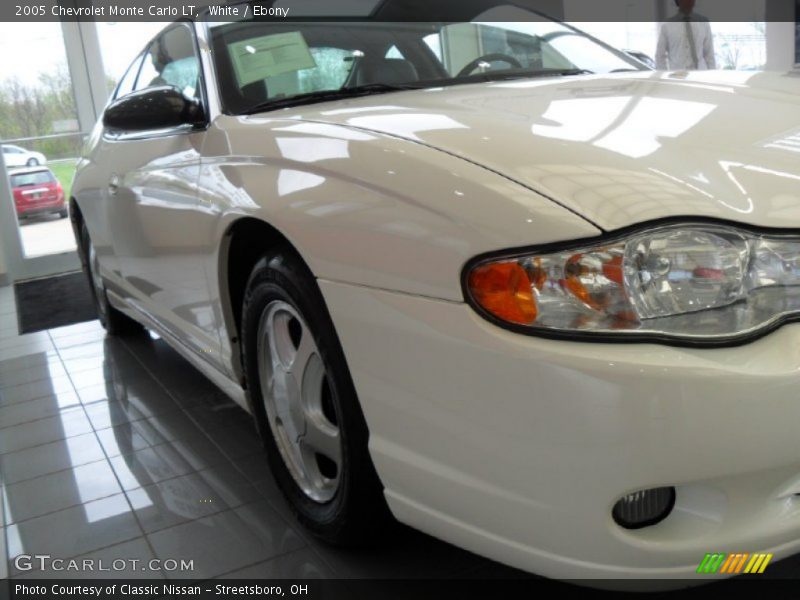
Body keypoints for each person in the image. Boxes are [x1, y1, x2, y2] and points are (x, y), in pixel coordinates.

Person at [655, 0, 716, 70]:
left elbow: (709, 54)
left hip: (700, 73)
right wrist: (664, 75)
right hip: (677, 74)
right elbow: (660, 56)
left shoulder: (703, 23)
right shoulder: (667, 25)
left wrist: (712, 74)